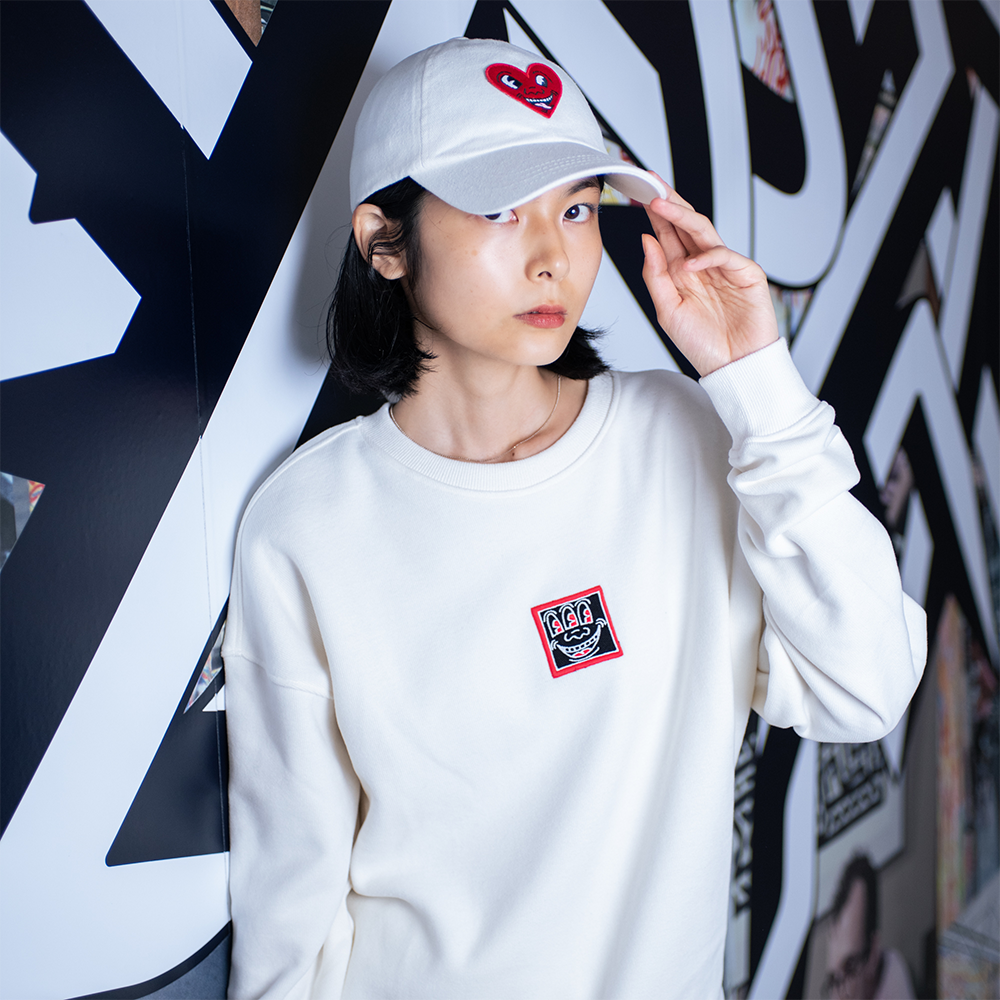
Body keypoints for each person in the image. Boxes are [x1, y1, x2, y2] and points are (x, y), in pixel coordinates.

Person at [223, 37, 926, 1000]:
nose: (553, 256)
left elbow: (866, 687)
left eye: (578, 207)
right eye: (499, 209)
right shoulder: (306, 523)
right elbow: (291, 900)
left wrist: (758, 385)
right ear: (385, 242)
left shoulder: (684, 439)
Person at [822, 856, 917, 1000]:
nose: (838, 996)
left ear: (873, 953)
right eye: (833, 980)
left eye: (850, 968)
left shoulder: (894, 973)